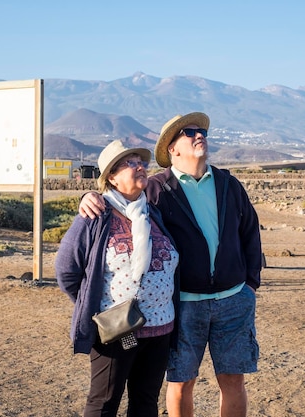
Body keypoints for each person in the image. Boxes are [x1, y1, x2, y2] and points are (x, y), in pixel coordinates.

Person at [80, 112, 262, 417]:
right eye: (189, 132)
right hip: (184, 304)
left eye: (201, 130)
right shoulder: (154, 189)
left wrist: (250, 284)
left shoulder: (229, 184)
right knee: (180, 382)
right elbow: (118, 201)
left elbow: (250, 232)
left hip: (232, 300)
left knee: (233, 381)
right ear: (172, 149)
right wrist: (87, 196)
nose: (199, 134)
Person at [55, 140, 180, 417]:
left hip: (160, 328)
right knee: (104, 402)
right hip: (117, 329)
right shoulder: (95, 216)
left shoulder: (153, 213)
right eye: (129, 163)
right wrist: (94, 304)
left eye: (141, 162)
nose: (139, 167)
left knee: (146, 403)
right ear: (111, 176)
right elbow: (66, 271)